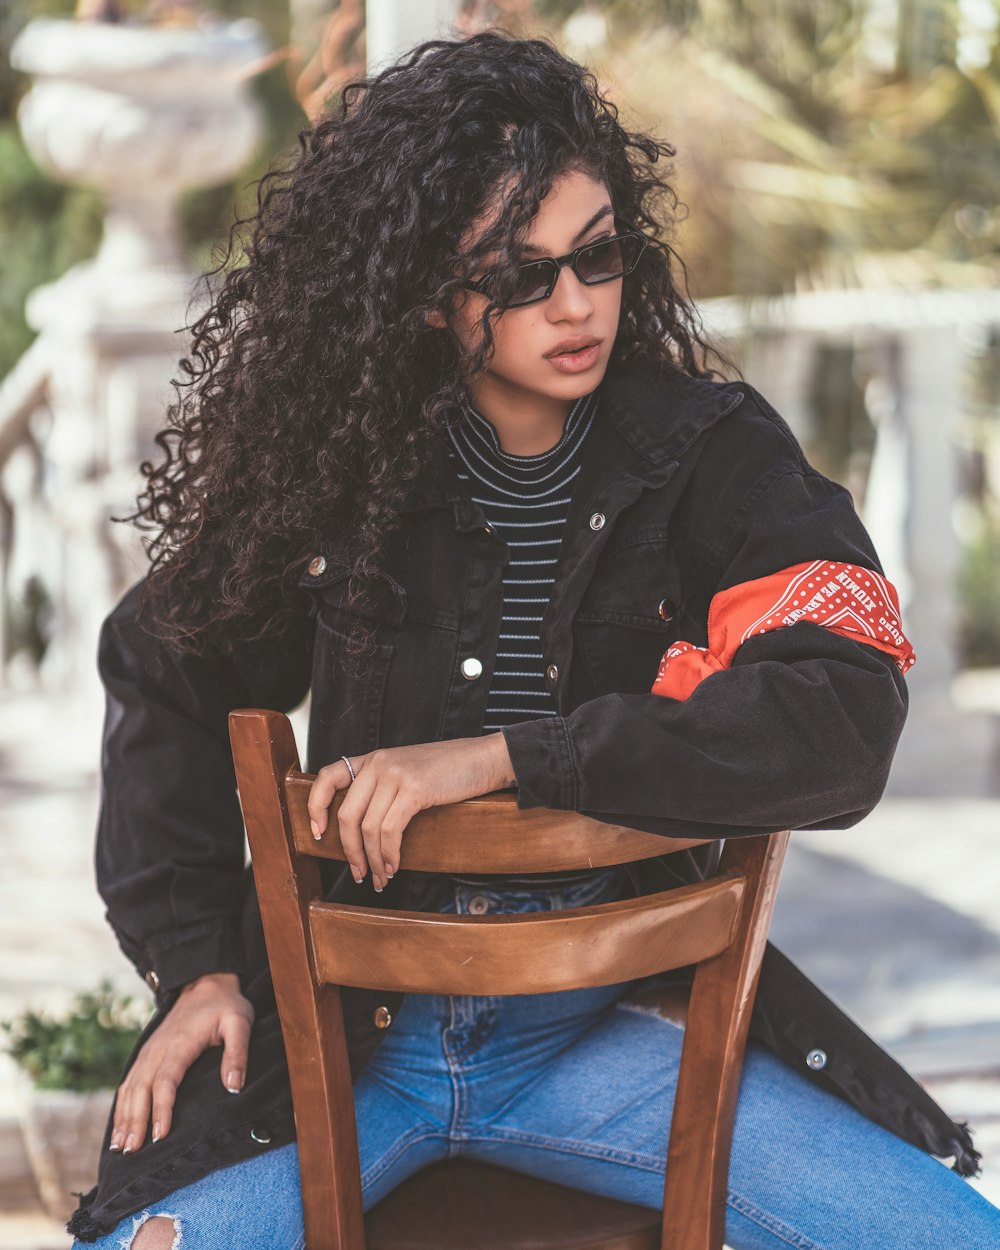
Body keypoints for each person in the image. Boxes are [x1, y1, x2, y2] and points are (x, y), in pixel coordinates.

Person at [69, 30, 1000, 1250]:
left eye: (598, 256)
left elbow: (841, 710)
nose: (575, 304)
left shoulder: (708, 454)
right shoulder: (340, 472)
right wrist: (195, 963)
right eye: (517, 274)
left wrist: (508, 754)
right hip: (349, 1043)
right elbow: (162, 660)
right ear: (422, 289)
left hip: (610, 1037)